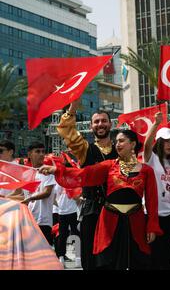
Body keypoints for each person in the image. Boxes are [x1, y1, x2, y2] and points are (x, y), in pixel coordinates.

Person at [39, 130, 162, 270]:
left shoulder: (146, 170)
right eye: (116, 142)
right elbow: (84, 174)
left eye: (121, 141)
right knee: (108, 261)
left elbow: (152, 201)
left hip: (136, 221)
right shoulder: (109, 165)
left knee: (137, 260)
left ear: (132, 144)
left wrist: (151, 227)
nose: (117, 144)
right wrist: (56, 170)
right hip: (110, 221)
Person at [57, 99, 118, 270]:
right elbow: (66, 130)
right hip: (92, 211)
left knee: (115, 256)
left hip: (116, 210)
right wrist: (73, 107)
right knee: (91, 258)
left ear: (110, 124)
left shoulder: (121, 149)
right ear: (91, 126)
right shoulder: (85, 150)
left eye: (104, 121)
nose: (100, 124)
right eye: (96, 122)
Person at [143, 112, 170, 270]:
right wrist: (156, 124)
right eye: (166, 142)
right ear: (159, 142)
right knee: (154, 256)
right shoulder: (152, 159)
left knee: (169, 255)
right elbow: (146, 146)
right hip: (153, 215)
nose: (169, 145)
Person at [21, 142, 56, 245]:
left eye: (43, 152)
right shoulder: (26, 174)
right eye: (37, 151)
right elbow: (22, 196)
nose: (41, 154)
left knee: (44, 256)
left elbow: (47, 192)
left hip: (43, 221)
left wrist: (30, 199)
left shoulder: (48, 172)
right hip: (29, 220)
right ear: (29, 154)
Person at [53, 184, 80, 266]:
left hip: (72, 211)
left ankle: (77, 257)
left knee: (68, 233)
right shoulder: (59, 183)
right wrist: (60, 206)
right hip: (64, 212)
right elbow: (54, 198)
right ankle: (62, 257)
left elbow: (77, 197)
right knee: (64, 234)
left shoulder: (71, 182)